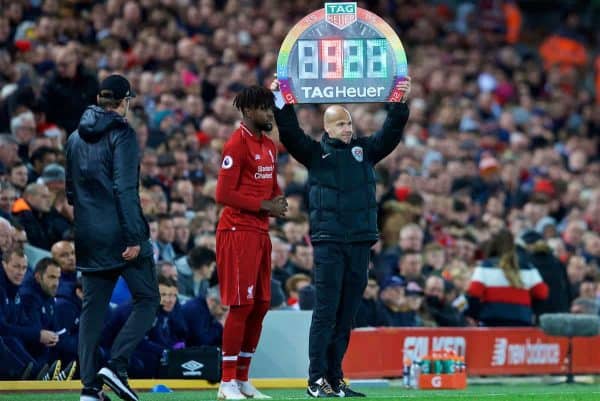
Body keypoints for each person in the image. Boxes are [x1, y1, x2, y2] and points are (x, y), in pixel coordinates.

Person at [272, 76, 411, 398]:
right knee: (326, 311)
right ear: (328, 128)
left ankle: (335, 379)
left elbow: (391, 133)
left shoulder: (366, 150)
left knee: (347, 313)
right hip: (329, 242)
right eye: (340, 124)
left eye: (348, 122)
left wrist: (398, 104)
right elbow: (290, 133)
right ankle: (315, 379)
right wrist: (282, 101)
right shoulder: (313, 153)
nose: (347, 128)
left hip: (360, 241)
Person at [65, 74, 160, 401]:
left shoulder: (75, 137)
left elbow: (69, 191)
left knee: (92, 311)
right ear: (125, 101)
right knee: (148, 300)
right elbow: (124, 188)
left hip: (88, 235)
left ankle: (89, 388)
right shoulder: (123, 133)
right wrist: (134, 236)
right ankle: (116, 366)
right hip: (121, 233)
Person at [214, 85, 287, 400]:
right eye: (262, 108)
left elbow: (269, 185)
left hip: (259, 232)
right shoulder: (236, 144)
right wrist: (264, 206)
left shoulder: (269, 145)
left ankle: (243, 379)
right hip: (237, 231)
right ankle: (226, 381)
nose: (269, 113)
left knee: (260, 305)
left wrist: (277, 201)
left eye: (270, 107)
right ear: (247, 111)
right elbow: (223, 195)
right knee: (241, 305)